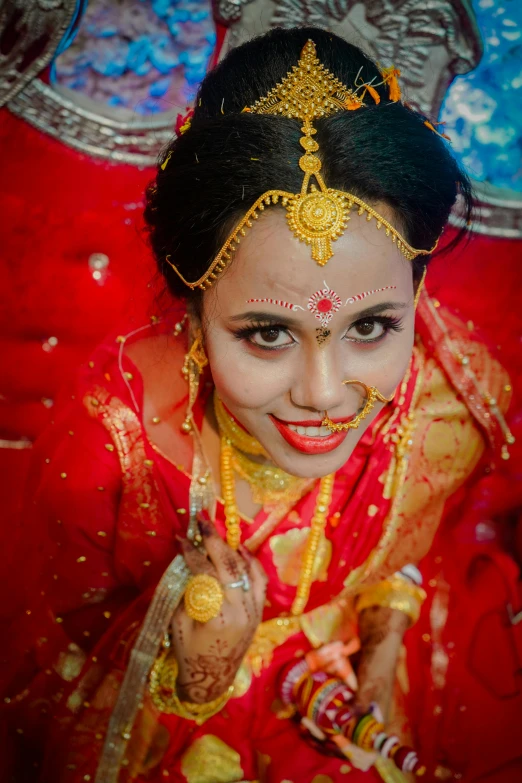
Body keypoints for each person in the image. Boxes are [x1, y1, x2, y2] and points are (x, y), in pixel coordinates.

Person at [1, 27, 519, 783]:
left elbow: (414, 553)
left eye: (371, 325)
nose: (324, 394)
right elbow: (38, 681)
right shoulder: (108, 452)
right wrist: (190, 673)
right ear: (192, 303)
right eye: (269, 332)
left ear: (417, 294)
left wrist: (383, 630)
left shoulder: (439, 402)